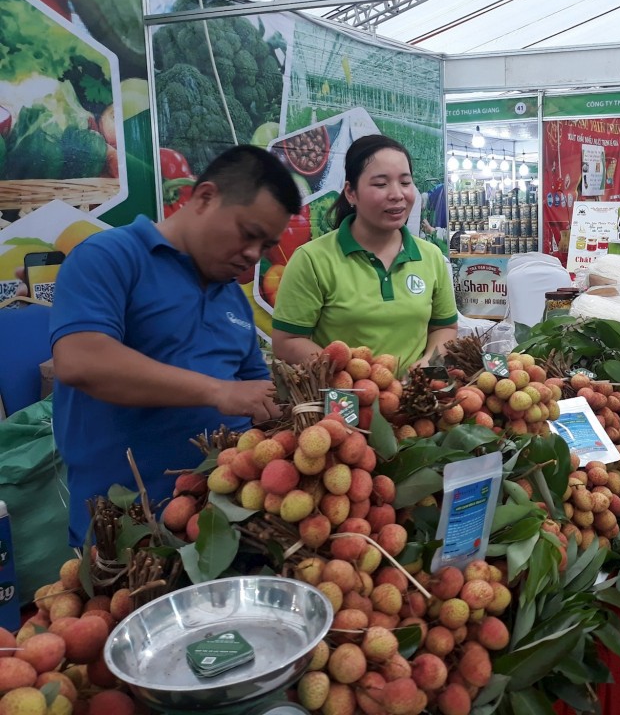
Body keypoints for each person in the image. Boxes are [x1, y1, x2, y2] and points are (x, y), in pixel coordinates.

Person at [50, 145, 301, 545]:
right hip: (128, 533)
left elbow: (259, 399)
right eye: (249, 234)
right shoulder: (109, 257)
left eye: (265, 246)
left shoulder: (233, 299)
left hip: (223, 526)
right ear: (204, 197)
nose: (254, 254)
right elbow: (81, 359)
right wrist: (218, 391)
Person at [271, 134, 457, 371]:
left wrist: (428, 364)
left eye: (405, 182)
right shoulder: (312, 259)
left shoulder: (430, 257)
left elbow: (444, 328)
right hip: (344, 403)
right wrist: (353, 376)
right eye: (381, 184)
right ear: (351, 192)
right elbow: (287, 342)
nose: (397, 194)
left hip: (415, 401)